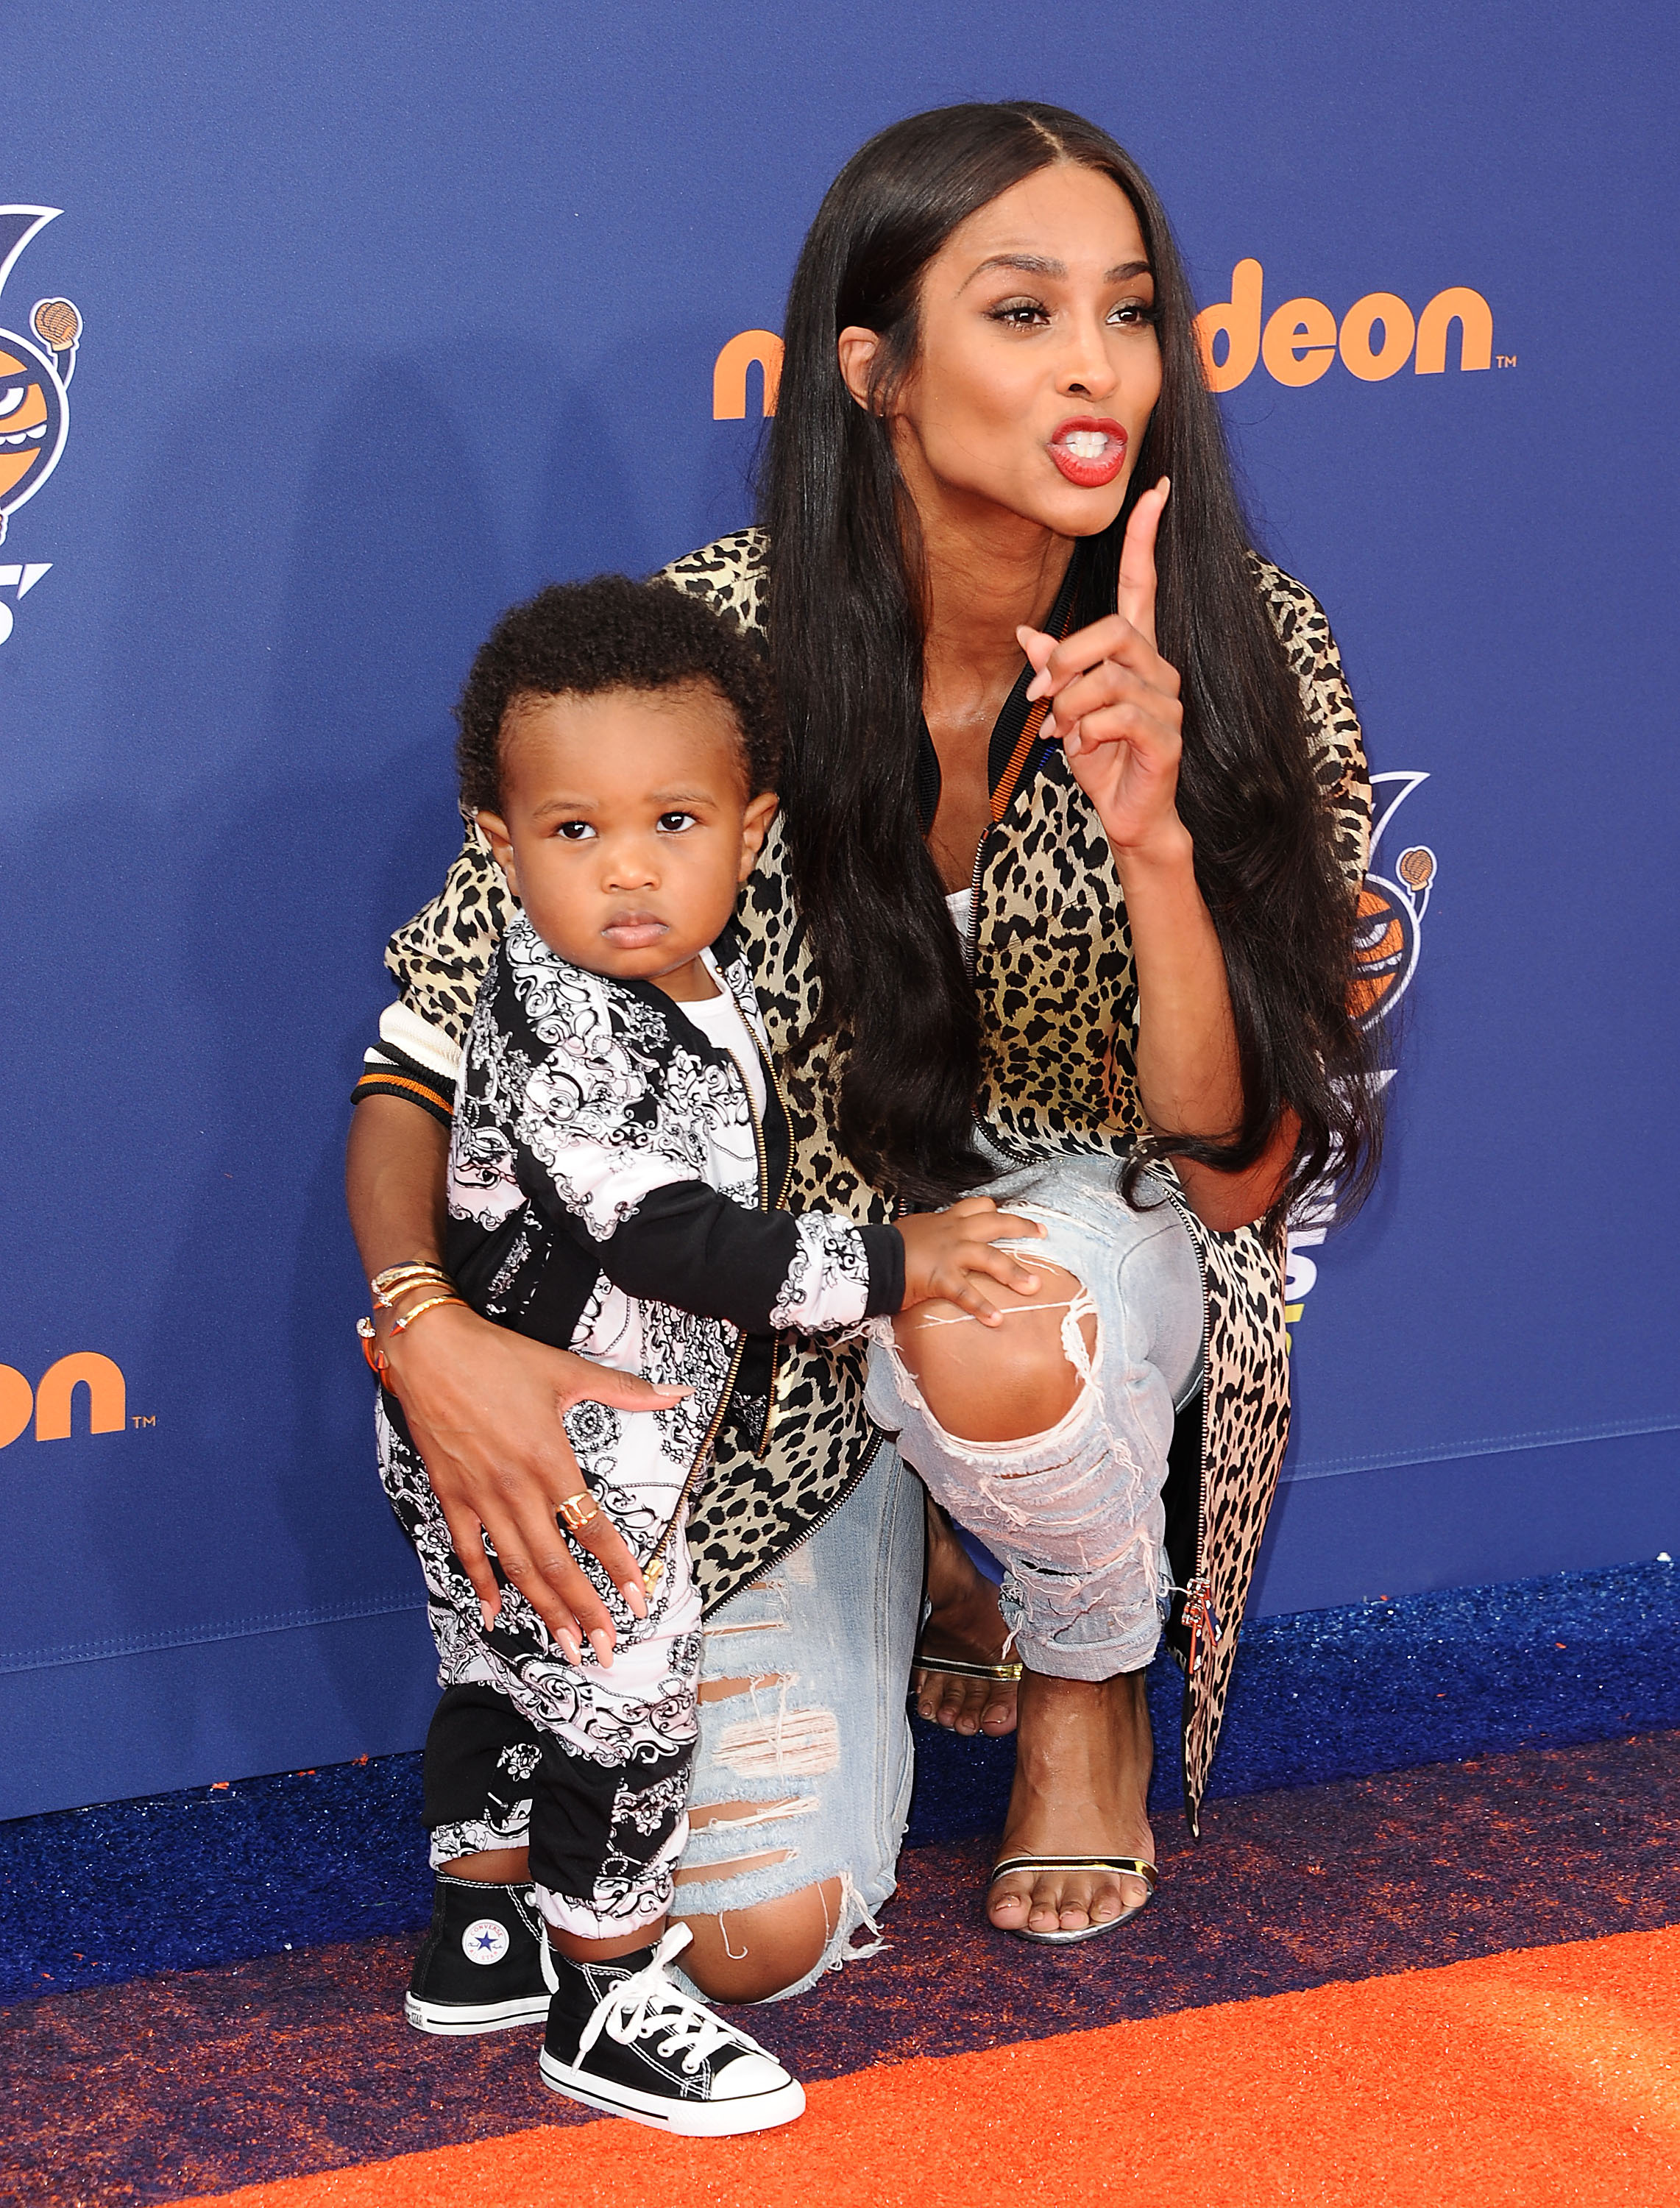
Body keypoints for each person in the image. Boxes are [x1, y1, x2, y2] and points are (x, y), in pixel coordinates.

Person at [346, 100, 1380, 1986]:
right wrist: (430, 1324)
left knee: (984, 1327)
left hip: (1073, 1293)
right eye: (1021, 311)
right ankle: (926, 1553)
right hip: (763, 1332)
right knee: (740, 1937)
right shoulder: (701, 651)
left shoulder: (1242, 650)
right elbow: (426, 1044)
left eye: (1129, 311)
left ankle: (1083, 1661)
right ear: (875, 370)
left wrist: (1153, 839)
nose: (1095, 365)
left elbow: (1237, 1176)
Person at [376, 573, 1041, 2123]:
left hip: (521, 1430)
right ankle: (605, 1992)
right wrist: (895, 1264)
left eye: (672, 826)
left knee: (499, 1668)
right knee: (627, 1696)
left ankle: (477, 1937)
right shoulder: (563, 1023)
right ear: (498, 845)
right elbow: (675, 1242)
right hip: (565, 1441)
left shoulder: (667, 982)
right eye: (573, 832)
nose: (625, 872)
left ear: (750, 833)